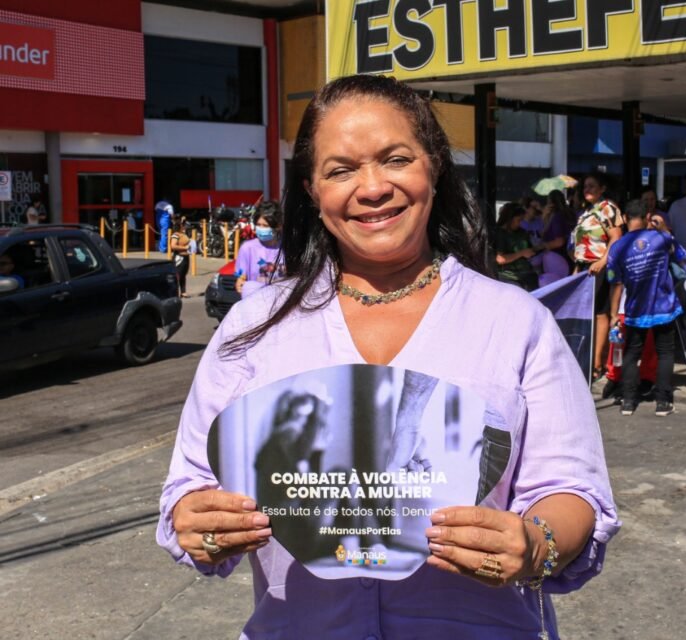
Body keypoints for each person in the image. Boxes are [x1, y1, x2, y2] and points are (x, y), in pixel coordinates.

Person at [157, 74, 619, 639]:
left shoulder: (517, 321)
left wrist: (536, 544)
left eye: (396, 159)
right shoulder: (252, 327)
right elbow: (191, 486)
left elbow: (572, 490)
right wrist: (200, 522)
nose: (372, 188)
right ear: (311, 190)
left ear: (434, 167)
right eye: (340, 170)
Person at [607, 201, 686, 417]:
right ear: (648, 217)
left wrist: (614, 314)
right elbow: (680, 254)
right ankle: (663, 402)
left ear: (625, 218)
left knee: (632, 353)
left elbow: (615, 283)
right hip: (664, 307)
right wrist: (664, 228)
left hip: (635, 309)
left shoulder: (618, 248)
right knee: (665, 352)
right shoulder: (661, 238)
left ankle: (628, 402)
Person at [571, 171, 624, 380]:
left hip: (599, 267)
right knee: (588, 313)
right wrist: (577, 268)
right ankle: (588, 359)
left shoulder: (607, 208)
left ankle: (597, 364)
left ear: (602, 188)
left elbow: (616, 237)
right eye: (585, 186)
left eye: (592, 186)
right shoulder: (587, 211)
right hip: (584, 267)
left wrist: (602, 261)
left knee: (600, 313)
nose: (587, 189)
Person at [234, 200, 286, 298]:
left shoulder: (286, 248)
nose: (261, 228)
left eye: (265, 226)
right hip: (255, 301)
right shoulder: (247, 248)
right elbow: (240, 275)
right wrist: (239, 281)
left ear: (278, 226)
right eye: (258, 224)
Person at [494, 202, 539, 291]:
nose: (520, 223)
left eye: (522, 220)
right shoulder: (500, 234)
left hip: (528, 274)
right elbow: (500, 259)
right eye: (519, 220)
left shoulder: (522, 232)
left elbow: (530, 249)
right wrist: (521, 253)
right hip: (510, 276)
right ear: (510, 219)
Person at [170, 217, 192, 297]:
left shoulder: (184, 233)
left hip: (186, 256)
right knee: (178, 275)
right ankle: (174, 292)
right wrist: (184, 248)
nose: (184, 226)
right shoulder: (175, 235)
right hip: (179, 257)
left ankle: (183, 291)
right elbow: (173, 246)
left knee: (183, 274)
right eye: (183, 225)